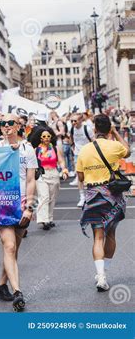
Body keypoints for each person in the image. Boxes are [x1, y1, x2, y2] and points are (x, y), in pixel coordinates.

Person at [77, 114, 130, 292]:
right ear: (109, 129)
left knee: (98, 236)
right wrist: (115, 132)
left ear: (94, 129)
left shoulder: (85, 149)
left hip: (93, 195)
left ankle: (100, 276)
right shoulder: (114, 145)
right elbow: (128, 151)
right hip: (112, 196)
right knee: (111, 235)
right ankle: (104, 273)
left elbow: (81, 177)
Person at [0, 114, 37, 312]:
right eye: (3, 124)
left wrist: (29, 207)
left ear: (18, 125)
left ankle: (2, 285)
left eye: (10, 123)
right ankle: (18, 292)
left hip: (20, 203)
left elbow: (30, 180)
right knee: (9, 246)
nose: (6, 126)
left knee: (14, 248)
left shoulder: (27, 149)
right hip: (0, 203)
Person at [29, 127, 69, 230]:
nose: (46, 138)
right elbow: (31, 163)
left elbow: (61, 161)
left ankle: (49, 219)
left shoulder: (55, 148)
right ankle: (44, 220)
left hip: (54, 174)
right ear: (40, 138)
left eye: (48, 136)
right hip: (42, 174)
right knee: (44, 197)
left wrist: (64, 170)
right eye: (44, 136)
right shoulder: (36, 150)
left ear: (51, 137)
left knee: (52, 197)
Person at [69, 113, 94, 207]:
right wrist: (73, 148)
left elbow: (94, 141)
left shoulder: (87, 129)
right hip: (77, 155)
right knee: (80, 177)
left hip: (88, 155)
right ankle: (82, 197)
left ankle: (90, 195)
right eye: (71, 121)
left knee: (89, 175)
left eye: (75, 121)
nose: (73, 122)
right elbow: (71, 138)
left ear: (80, 120)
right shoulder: (72, 129)